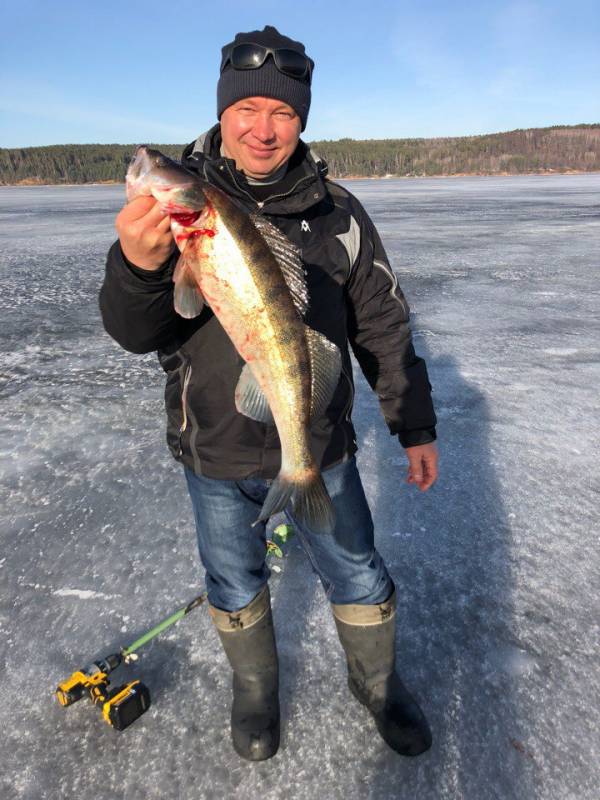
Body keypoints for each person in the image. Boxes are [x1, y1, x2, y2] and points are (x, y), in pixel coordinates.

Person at [99, 25, 439, 762]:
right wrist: (136, 264)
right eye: (247, 108)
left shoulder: (337, 213)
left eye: (283, 112)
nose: (263, 128)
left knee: (355, 565)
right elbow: (136, 329)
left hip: (316, 440)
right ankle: (255, 691)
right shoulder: (173, 217)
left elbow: (381, 320)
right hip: (213, 447)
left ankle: (378, 685)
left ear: (302, 121)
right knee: (231, 577)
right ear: (223, 112)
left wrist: (413, 425)